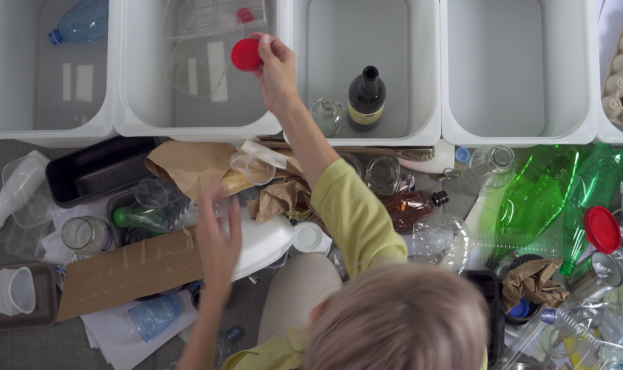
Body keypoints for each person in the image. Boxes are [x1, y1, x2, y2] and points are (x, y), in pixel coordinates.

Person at [177, 33, 489, 370]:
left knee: (309, 266)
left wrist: (214, 294)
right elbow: (360, 218)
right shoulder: (455, 350)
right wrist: (286, 103)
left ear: (320, 313)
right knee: (311, 265)